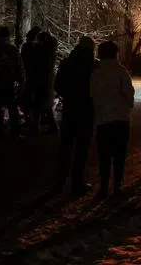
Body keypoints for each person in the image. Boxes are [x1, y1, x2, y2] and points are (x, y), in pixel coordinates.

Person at [89, 40, 134, 200]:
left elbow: (93, 94)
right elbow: (129, 94)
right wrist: (127, 105)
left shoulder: (96, 72)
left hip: (103, 119)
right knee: (119, 155)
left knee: (104, 156)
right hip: (120, 119)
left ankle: (103, 187)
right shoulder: (121, 72)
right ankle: (117, 187)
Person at [53, 35, 96, 196]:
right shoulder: (93, 66)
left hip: (69, 109)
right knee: (81, 149)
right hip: (86, 110)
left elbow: (58, 85)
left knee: (65, 148)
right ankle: (77, 184)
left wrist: (68, 96)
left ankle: (59, 183)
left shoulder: (67, 63)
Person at [0, 26, 24, 137]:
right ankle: (15, 131)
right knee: (12, 108)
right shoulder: (12, 49)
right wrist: (21, 81)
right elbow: (19, 67)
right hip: (8, 83)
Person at [34, 31, 59, 133]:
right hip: (47, 80)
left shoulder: (42, 51)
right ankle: (51, 126)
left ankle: (36, 126)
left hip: (42, 80)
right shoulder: (50, 50)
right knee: (45, 104)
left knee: (38, 103)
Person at [20, 27, 42, 131]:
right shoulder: (39, 48)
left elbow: (23, 61)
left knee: (28, 100)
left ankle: (29, 120)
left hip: (29, 76)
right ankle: (34, 122)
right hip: (36, 77)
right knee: (35, 101)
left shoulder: (27, 47)